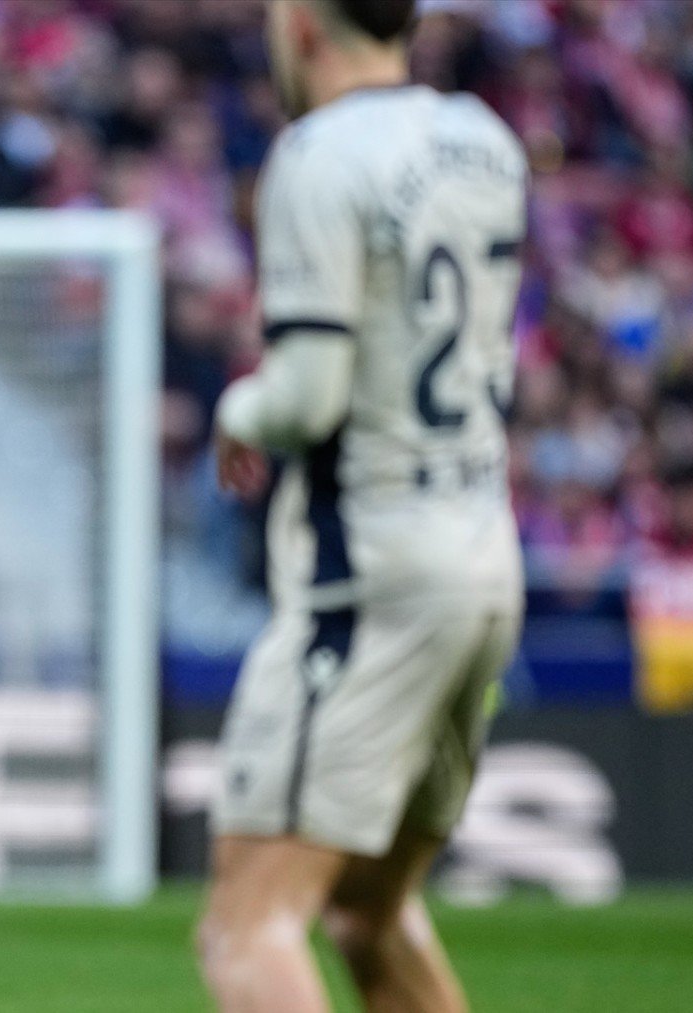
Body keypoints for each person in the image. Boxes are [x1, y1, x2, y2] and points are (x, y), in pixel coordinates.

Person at [197, 2, 527, 1012]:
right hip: (482, 559)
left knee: (248, 927)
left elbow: (306, 395)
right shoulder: (488, 140)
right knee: (368, 911)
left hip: (371, 575)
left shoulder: (318, 152)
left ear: (299, 25)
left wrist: (236, 406)